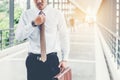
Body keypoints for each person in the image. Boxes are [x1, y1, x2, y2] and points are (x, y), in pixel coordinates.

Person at [15, 0, 70, 80]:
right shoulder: (26, 14)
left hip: (52, 61)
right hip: (33, 61)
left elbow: (64, 36)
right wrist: (33, 24)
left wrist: (65, 59)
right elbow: (18, 36)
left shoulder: (57, 14)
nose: (39, 1)